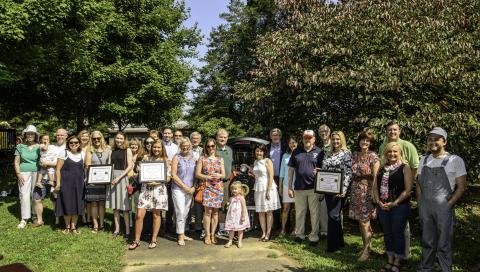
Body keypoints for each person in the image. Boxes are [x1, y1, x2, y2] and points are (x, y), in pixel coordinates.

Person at [416, 128, 467, 272]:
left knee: (444, 243)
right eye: (430, 139)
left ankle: (446, 269)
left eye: (436, 139)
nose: (433, 142)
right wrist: (420, 204)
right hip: (425, 207)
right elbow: (418, 184)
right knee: (427, 241)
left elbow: (462, 187)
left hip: (444, 208)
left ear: (444, 141)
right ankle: (426, 268)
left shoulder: (454, 160)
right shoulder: (424, 160)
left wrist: (449, 204)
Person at [379, 120, 419, 259]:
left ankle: (403, 255)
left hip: (401, 194)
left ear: (399, 131)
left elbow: (415, 167)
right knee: (389, 229)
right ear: (386, 131)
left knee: (401, 228)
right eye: (389, 130)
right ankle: (391, 253)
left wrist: (407, 186)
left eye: (395, 129)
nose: (392, 132)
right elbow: (381, 167)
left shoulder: (408, 146)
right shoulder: (383, 145)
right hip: (385, 195)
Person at [373, 142, 413, 272]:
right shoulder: (381, 168)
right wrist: (378, 201)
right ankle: (390, 260)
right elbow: (375, 186)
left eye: (395, 151)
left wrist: (395, 203)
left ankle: (398, 261)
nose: (392, 154)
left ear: (400, 153)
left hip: (399, 206)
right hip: (383, 206)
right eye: (389, 151)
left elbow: (408, 190)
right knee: (387, 234)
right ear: (386, 153)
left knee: (398, 234)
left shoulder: (404, 168)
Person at [129, 140, 170, 250]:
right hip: (146, 189)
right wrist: (139, 171)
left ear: (162, 149)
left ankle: (153, 239)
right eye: (154, 147)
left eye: (158, 147)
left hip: (159, 190)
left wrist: (156, 182)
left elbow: (168, 177)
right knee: (139, 215)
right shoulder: (146, 158)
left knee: (156, 215)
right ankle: (136, 240)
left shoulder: (165, 160)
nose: (156, 149)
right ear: (151, 148)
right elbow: (140, 173)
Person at [287, 130, 324, 246]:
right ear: (302, 139)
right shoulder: (296, 152)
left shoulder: (320, 152)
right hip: (299, 188)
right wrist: (289, 187)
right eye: (305, 138)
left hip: (314, 188)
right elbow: (291, 170)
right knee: (300, 213)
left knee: (315, 213)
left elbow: (325, 171)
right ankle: (300, 235)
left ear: (314, 139)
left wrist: (322, 188)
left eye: (310, 137)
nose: (307, 140)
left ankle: (314, 237)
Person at [348, 131, 379, 261]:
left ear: (371, 143)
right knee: (361, 222)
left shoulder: (374, 157)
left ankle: (366, 252)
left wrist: (374, 193)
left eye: (368, 140)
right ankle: (366, 246)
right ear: (359, 141)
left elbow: (376, 177)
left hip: (367, 191)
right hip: (356, 190)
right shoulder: (355, 155)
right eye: (362, 140)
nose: (365, 142)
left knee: (365, 221)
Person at [320, 131, 352, 253]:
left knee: (333, 216)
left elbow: (348, 173)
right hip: (328, 190)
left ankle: (332, 246)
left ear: (342, 140)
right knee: (334, 215)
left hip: (339, 190)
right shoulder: (327, 153)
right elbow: (324, 170)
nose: (335, 141)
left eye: (338, 139)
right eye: (333, 139)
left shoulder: (346, 153)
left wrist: (344, 190)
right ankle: (340, 242)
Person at [195, 138, 225, 245]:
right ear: (205, 147)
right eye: (208, 146)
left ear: (215, 146)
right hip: (207, 187)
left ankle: (213, 234)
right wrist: (207, 177)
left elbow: (223, 174)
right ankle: (207, 235)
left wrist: (218, 175)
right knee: (207, 212)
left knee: (216, 213)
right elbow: (197, 174)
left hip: (218, 187)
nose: (211, 148)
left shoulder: (220, 159)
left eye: (213, 146)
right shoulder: (202, 158)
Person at [55, 135, 86, 234]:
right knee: (67, 203)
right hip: (66, 183)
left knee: (77, 204)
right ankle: (67, 226)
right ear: (68, 144)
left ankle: (74, 226)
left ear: (79, 144)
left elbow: (85, 168)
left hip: (79, 183)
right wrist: (58, 183)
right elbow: (58, 170)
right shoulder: (64, 153)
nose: (74, 144)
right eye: (71, 142)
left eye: (76, 142)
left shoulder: (82, 154)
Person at [251, 144, 281, 241]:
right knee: (260, 212)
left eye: (260, 151)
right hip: (258, 188)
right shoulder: (255, 161)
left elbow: (271, 175)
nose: (258, 153)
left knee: (269, 211)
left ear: (264, 152)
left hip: (268, 187)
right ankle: (263, 233)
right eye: (257, 151)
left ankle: (268, 234)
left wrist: (268, 190)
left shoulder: (267, 161)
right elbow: (257, 175)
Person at [14, 125, 41, 229]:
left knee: (35, 194)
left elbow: (43, 159)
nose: (30, 135)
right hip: (23, 172)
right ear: (25, 135)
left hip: (36, 172)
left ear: (35, 135)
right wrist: (18, 174)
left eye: (32, 134)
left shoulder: (39, 146)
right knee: (24, 195)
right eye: (28, 134)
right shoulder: (20, 146)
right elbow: (16, 162)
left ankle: (34, 215)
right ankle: (24, 218)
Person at [107, 132, 133, 239]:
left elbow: (130, 166)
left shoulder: (127, 150)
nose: (119, 140)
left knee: (125, 207)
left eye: (121, 138)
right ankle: (117, 230)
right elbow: (109, 165)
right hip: (113, 179)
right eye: (117, 138)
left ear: (124, 139)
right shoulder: (111, 151)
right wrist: (110, 177)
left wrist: (119, 177)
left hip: (122, 178)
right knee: (115, 207)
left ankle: (127, 231)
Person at [84, 131, 111, 233]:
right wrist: (90, 180)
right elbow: (87, 165)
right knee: (94, 203)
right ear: (91, 139)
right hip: (92, 181)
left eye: (98, 138)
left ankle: (102, 224)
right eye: (94, 138)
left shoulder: (108, 150)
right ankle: (95, 224)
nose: (96, 140)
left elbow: (109, 164)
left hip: (104, 181)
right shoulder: (89, 150)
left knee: (102, 203)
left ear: (102, 138)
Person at [171, 138, 196, 246]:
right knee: (180, 211)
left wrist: (194, 187)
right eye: (183, 145)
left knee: (185, 212)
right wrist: (184, 187)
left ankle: (183, 233)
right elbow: (173, 175)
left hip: (190, 189)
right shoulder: (176, 157)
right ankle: (180, 236)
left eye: (187, 145)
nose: (185, 147)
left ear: (190, 146)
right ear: (180, 146)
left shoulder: (193, 158)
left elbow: (196, 174)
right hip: (178, 189)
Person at [41, 128, 67, 226]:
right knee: (54, 198)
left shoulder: (68, 147)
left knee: (64, 198)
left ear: (66, 136)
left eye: (62, 135)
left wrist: (47, 163)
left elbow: (59, 163)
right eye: (58, 135)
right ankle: (56, 218)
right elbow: (43, 150)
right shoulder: (52, 146)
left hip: (63, 176)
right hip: (52, 177)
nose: (60, 137)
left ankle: (65, 217)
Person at [266, 128, 286, 230]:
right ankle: (273, 226)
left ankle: (284, 227)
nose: (275, 136)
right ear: (270, 136)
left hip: (283, 178)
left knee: (284, 203)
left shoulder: (286, 147)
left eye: (277, 135)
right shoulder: (266, 147)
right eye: (273, 134)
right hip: (270, 178)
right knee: (272, 202)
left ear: (280, 136)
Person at [278, 136, 297, 236]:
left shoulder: (300, 155)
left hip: (298, 186)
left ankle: (295, 229)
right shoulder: (285, 155)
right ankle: (283, 229)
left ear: (298, 143)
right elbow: (281, 172)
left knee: (297, 209)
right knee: (285, 208)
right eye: (290, 143)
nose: (292, 144)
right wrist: (280, 187)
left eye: (294, 143)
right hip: (286, 185)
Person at [216, 128, 233, 236]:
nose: (222, 139)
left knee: (225, 205)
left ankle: (223, 228)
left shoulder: (229, 149)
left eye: (224, 137)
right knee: (214, 206)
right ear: (217, 138)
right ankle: (217, 228)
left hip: (227, 182)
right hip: (215, 182)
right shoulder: (213, 149)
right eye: (220, 137)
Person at [224, 181, 250, 248]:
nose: (234, 190)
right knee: (231, 229)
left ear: (240, 190)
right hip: (232, 216)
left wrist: (243, 216)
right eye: (233, 189)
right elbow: (229, 205)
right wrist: (228, 205)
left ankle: (239, 241)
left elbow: (244, 208)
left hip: (239, 216)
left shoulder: (241, 198)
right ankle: (230, 240)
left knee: (240, 229)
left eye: (236, 189)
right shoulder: (231, 198)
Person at [317, 124, 331, 237]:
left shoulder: (335, 145)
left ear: (329, 132)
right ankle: (324, 231)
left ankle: (336, 230)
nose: (323, 133)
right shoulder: (319, 148)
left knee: (335, 207)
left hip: (334, 181)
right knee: (322, 206)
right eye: (321, 131)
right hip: (322, 181)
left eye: (325, 131)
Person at [190, 131, 204, 235]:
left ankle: (198, 226)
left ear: (200, 140)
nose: (195, 140)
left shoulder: (204, 150)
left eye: (197, 138)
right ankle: (186, 225)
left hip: (200, 180)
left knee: (199, 203)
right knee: (187, 205)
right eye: (193, 138)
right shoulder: (185, 149)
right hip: (188, 180)